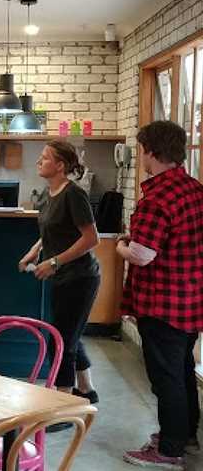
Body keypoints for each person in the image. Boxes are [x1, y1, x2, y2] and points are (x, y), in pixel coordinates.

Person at [119, 121, 203, 470]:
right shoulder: (195, 189)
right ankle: (184, 434)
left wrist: (122, 246)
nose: (141, 157)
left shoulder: (158, 198)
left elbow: (142, 254)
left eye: (142, 150)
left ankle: (169, 450)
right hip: (190, 298)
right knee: (182, 370)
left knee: (165, 377)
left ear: (151, 151)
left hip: (163, 302)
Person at [18, 140, 100, 403]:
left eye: (44, 158)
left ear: (61, 165)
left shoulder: (74, 194)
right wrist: (36, 250)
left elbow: (91, 238)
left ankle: (63, 403)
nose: (39, 162)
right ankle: (86, 390)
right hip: (63, 277)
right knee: (69, 333)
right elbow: (53, 229)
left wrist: (54, 262)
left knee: (61, 340)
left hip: (81, 278)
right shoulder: (48, 193)